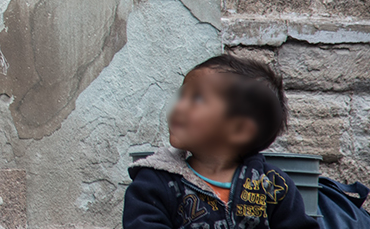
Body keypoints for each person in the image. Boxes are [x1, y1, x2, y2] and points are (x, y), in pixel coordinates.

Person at [124, 54, 319, 229]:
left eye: (197, 98)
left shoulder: (272, 185)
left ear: (239, 129)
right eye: (182, 95)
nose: (179, 106)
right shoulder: (155, 182)